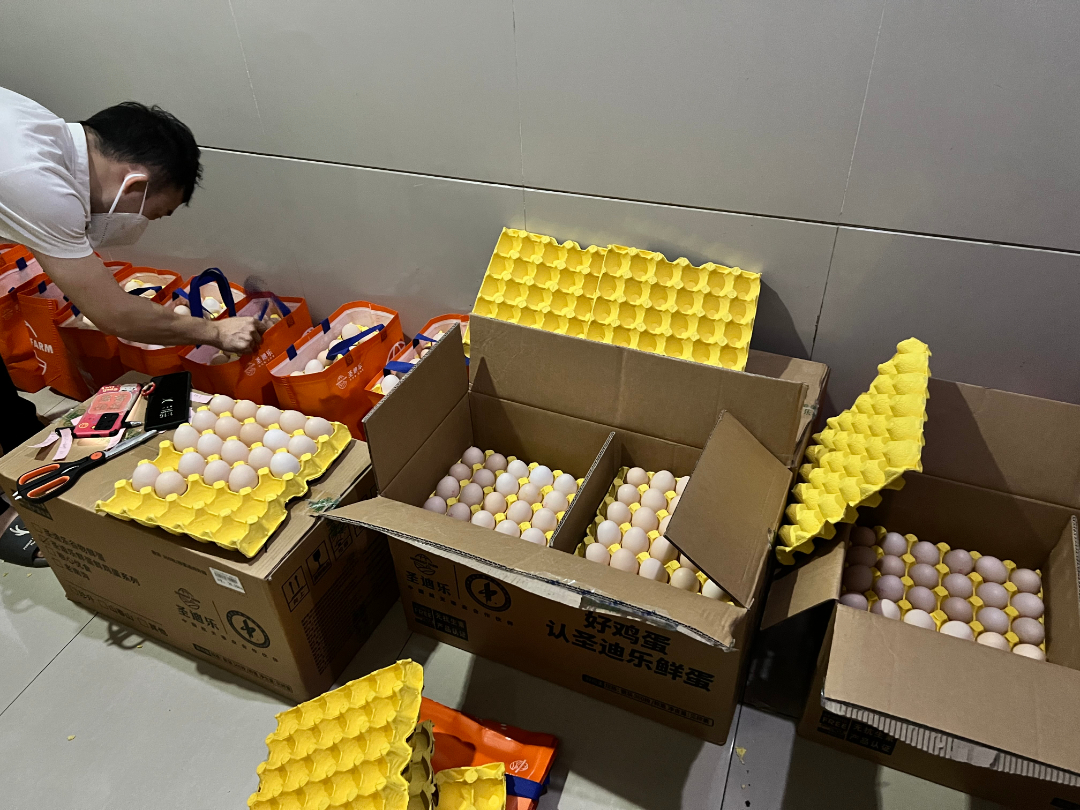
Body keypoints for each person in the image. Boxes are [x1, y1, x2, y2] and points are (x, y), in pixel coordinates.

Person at [0, 87, 266, 566]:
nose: (146, 225)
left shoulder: (40, 132)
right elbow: (114, 314)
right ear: (135, 185)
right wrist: (215, 332)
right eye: (154, 214)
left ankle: (16, 447)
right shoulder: (39, 185)